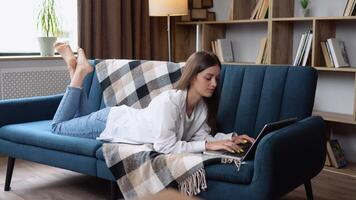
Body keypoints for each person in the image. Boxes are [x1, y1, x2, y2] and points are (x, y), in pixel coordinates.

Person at [51, 43, 255, 154]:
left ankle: (74, 67)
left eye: (217, 79)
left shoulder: (201, 107)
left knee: (81, 115)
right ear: (193, 76)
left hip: (116, 115)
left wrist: (229, 138)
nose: (214, 84)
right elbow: (165, 146)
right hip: (109, 124)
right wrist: (208, 146)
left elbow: (201, 139)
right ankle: (80, 72)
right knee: (59, 127)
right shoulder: (170, 102)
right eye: (208, 78)